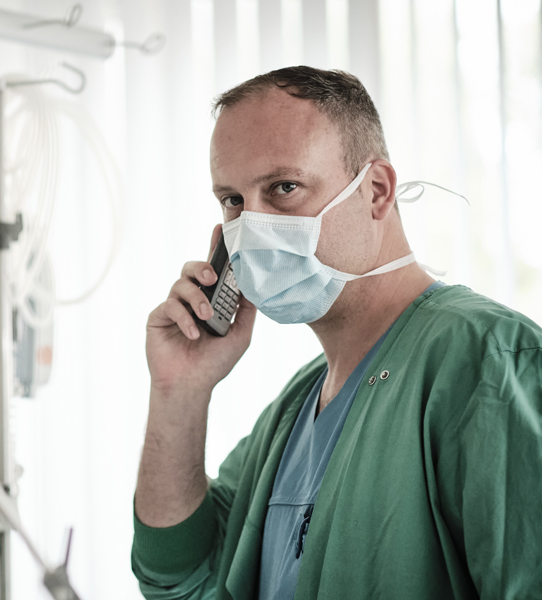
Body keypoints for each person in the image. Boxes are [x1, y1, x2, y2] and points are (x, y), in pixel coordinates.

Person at [132, 66, 542, 600]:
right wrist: (178, 394)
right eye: (232, 200)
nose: (250, 228)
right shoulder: (297, 407)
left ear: (375, 191)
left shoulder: (485, 362)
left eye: (283, 187)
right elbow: (179, 580)